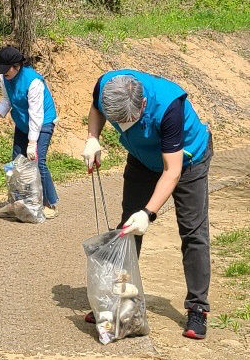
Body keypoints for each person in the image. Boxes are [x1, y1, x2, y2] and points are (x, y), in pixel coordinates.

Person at [82, 70, 213, 340]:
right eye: (118, 121)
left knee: (193, 232)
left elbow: (172, 171)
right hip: (142, 160)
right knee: (126, 229)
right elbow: (95, 108)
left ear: (142, 105)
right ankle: (116, 301)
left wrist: (148, 213)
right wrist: (92, 137)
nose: (124, 127)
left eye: (128, 121)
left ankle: (198, 307)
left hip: (188, 161)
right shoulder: (106, 85)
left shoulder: (169, 108)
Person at [0, 46, 59, 219]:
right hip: (22, 122)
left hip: (42, 123)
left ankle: (49, 204)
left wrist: (32, 143)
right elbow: (6, 100)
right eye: (1, 70)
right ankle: (15, 204)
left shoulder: (34, 82)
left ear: (17, 66)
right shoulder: (4, 78)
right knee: (15, 163)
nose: (3, 73)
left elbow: (36, 115)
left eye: (6, 69)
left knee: (38, 161)